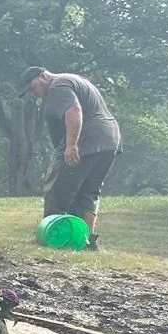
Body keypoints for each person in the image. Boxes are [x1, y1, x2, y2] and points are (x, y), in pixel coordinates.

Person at [20, 66, 122, 249]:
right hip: (110, 139)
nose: (33, 93)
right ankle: (86, 241)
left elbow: (74, 111)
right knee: (89, 191)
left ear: (42, 76)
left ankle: (50, 235)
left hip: (88, 137)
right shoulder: (73, 79)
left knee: (56, 186)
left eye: (32, 87)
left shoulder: (57, 86)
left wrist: (71, 145)